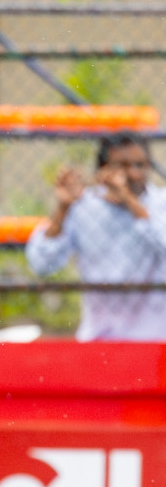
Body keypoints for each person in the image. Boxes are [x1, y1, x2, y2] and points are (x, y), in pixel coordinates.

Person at [25, 136, 166, 340]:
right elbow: (41, 262)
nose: (133, 174)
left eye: (139, 165)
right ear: (104, 169)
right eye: (122, 166)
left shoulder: (160, 203)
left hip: (155, 341)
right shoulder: (84, 206)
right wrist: (63, 209)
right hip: (99, 337)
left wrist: (130, 201)